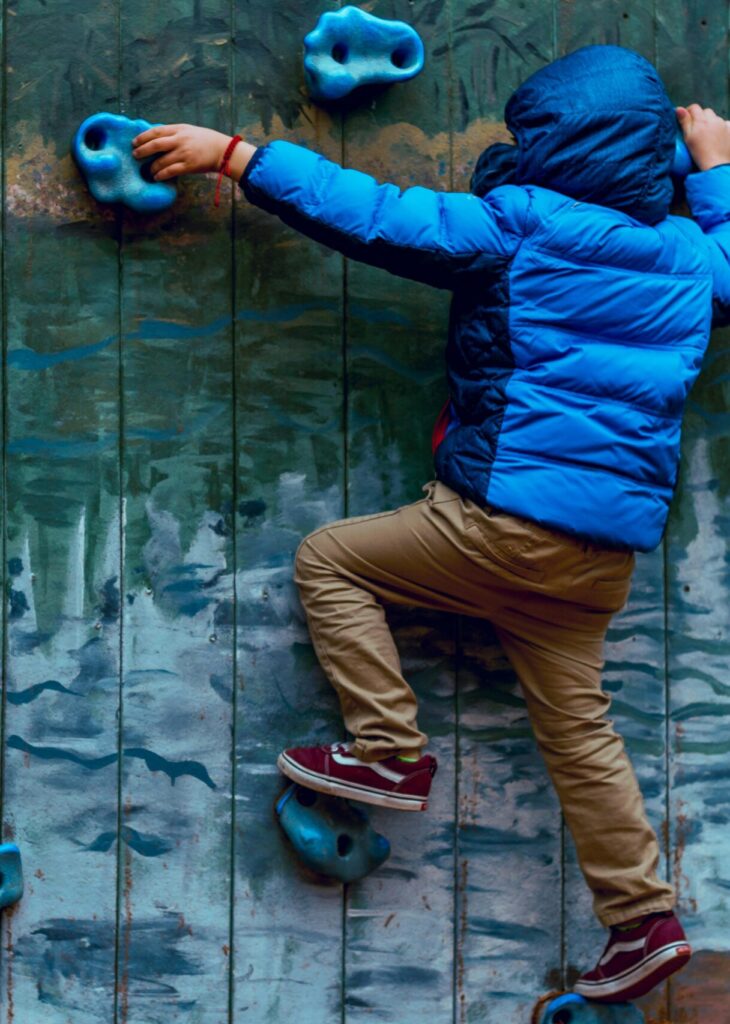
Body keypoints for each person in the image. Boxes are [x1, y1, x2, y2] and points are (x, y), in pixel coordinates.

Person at [131, 45, 730, 1002]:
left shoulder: (519, 225)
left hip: (499, 523)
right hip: (602, 558)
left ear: (549, 142)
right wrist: (716, 170)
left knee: (331, 561)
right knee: (580, 733)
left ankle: (390, 753)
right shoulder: (693, 259)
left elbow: (372, 214)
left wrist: (236, 155)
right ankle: (644, 920)